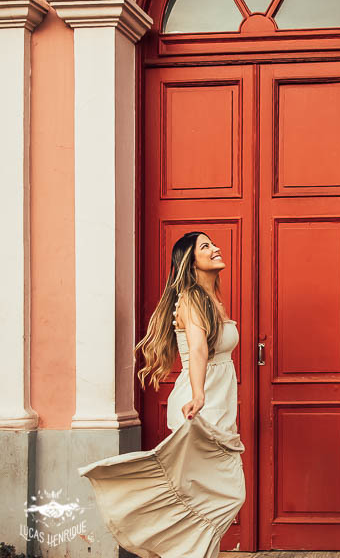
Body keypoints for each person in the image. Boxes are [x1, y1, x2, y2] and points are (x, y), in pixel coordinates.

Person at [78, 231, 245, 558]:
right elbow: (197, 350)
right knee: (225, 495)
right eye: (205, 246)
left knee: (210, 496)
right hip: (201, 405)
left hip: (217, 405)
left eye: (212, 243)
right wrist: (198, 395)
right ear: (189, 260)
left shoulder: (210, 298)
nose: (215, 248)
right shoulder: (193, 298)